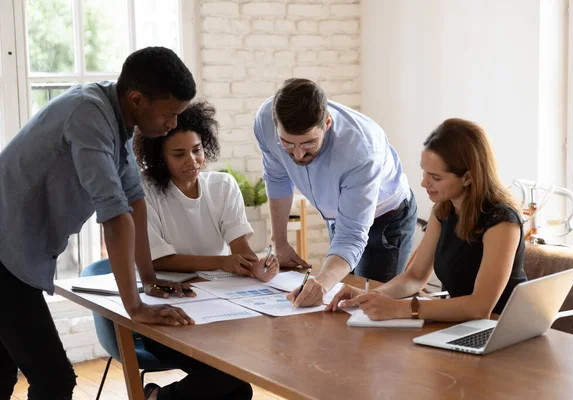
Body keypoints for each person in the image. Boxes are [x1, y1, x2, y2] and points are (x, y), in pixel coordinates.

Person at [0, 47, 198, 399]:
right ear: (137, 99)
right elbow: (114, 214)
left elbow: (133, 198)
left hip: (12, 253)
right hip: (3, 257)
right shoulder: (87, 114)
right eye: (169, 114)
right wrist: (134, 308)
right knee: (54, 380)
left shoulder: (115, 116)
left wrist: (148, 279)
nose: (173, 124)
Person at [326, 118, 527, 322]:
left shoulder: (502, 221)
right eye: (424, 172)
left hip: (503, 329)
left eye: (435, 177)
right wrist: (370, 296)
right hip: (465, 326)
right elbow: (415, 277)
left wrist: (401, 308)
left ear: (468, 177)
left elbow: (479, 307)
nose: (424, 183)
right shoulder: (444, 210)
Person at [253, 78, 417, 308]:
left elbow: (351, 236)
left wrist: (321, 282)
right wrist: (279, 242)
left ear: (327, 123)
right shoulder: (264, 122)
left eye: (309, 143)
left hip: (387, 218)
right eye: (288, 144)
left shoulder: (361, 150)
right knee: (338, 302)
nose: (298, 154)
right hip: (340, 216)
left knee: (371, 308)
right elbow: (277, 177)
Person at [133, 100, 279, 282]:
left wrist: (257, 268)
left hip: (215, 289)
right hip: (165, 288)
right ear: (160, 157)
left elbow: (240, 249)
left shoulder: (223, 186)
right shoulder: (143, 189)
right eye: (179, 154)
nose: (192, 161)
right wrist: (222, 262)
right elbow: (155, 260)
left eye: (197, 150)